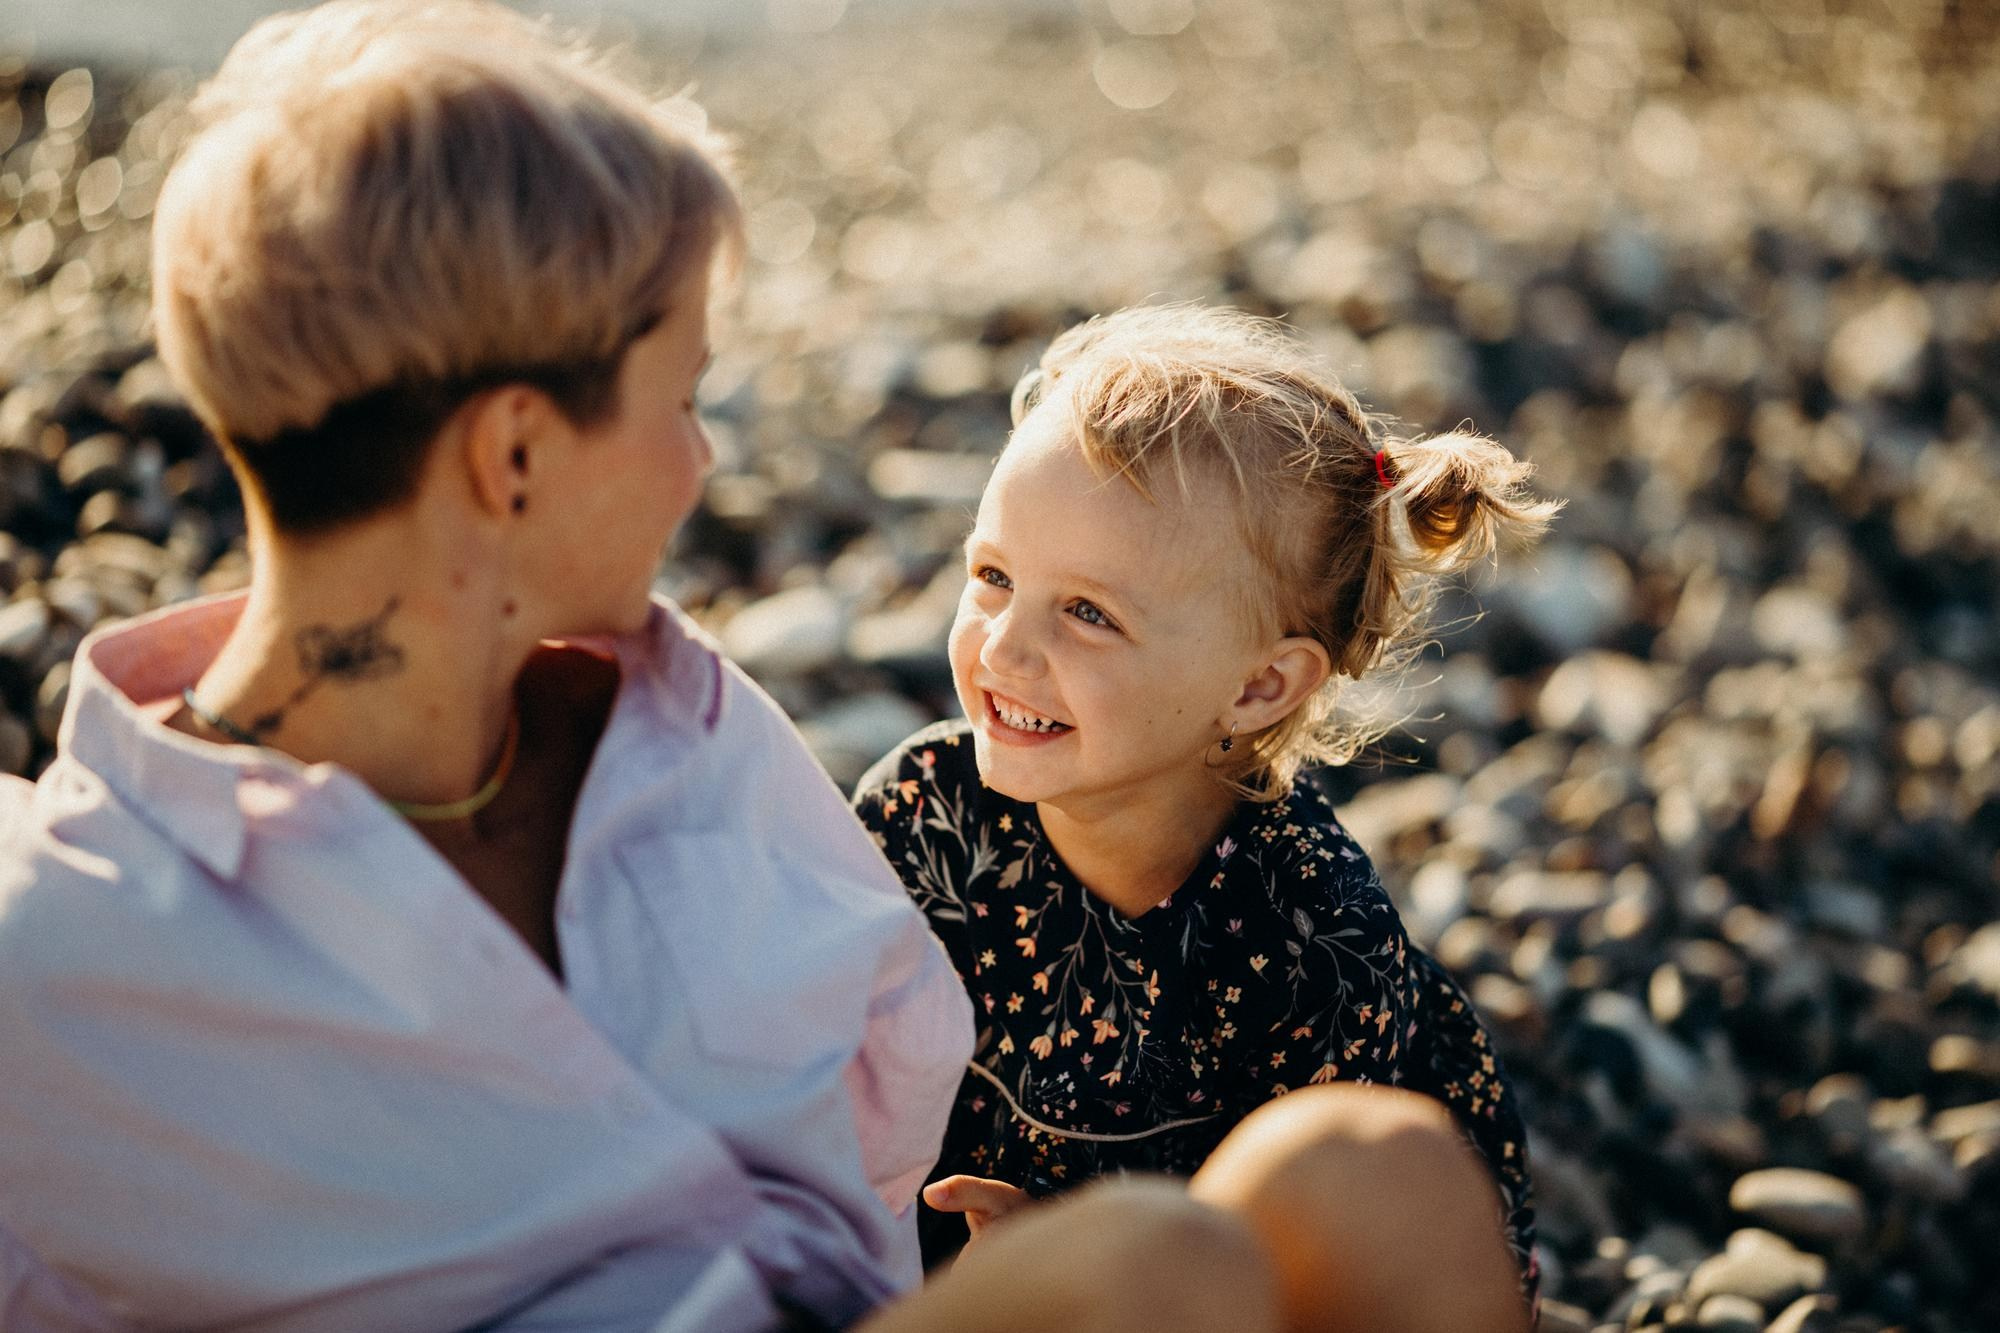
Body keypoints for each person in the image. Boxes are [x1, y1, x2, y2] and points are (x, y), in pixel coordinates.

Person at [0, 3, 975, 1328]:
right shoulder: (68, 954)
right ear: (510, 455)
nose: (703, 463)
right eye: (683, 400)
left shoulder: (702, 736)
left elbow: (888, 1148)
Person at [854, 304, 1560, 1327]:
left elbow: (1296, 1255)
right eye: (993, 576)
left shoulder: (1310, 933)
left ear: (1260, 686)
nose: (1003, 649)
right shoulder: (923, 814)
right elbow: (810, 1087)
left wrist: (1061, 1261)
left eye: (1088, 613)